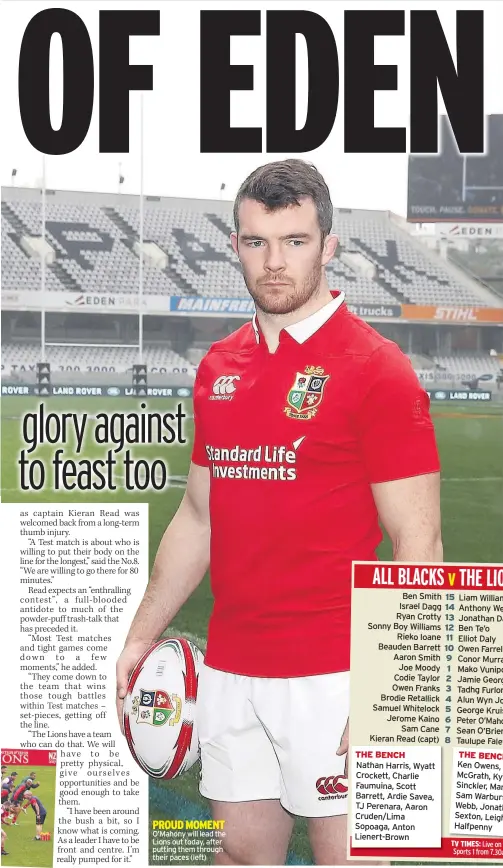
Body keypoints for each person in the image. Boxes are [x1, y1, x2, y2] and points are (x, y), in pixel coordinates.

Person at [117, 159, 442, 866]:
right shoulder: (218, 368)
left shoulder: (376, 368)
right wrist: (142, 635)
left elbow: (419, 538)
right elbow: (198, 518)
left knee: (354, 859)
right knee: (236, 856)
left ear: (328, 247)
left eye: (294, 241)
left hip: (333, 674)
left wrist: (391, 693)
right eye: (256, 241)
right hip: (231, 672)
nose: (274, 261)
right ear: (234, 245)